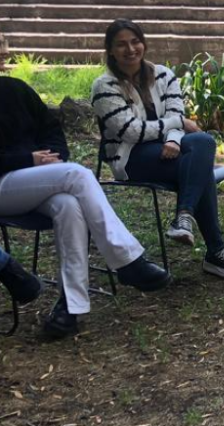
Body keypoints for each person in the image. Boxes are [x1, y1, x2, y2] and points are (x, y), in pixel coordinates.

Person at [0, 37, 170, 338]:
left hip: (28, 180)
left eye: (4, 48)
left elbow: (51, 130)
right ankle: (127, 260)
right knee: (77, 176)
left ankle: (72, 307)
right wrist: (27, 159)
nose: (4, 53)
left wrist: (54, 158)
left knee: (69, 205)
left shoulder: (15, 89)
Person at [91, 20, 224, 279]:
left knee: (204, 143)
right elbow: (130, 131)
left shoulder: (163, 74)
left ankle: (184, 217)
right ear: (109, 50)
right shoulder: (104, 86)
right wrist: (177, 125)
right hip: (131, 158)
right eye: (121, 44)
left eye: (135, 41)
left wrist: (174, 139)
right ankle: (216, 251)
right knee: (199, 169)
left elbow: (177, 112)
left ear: (144, 43)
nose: (130, 49)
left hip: (170, 148)